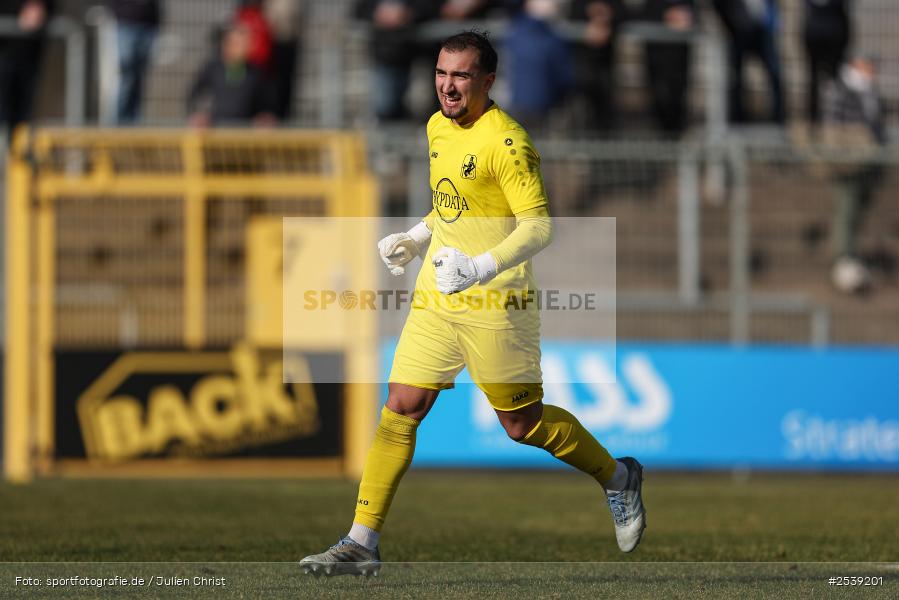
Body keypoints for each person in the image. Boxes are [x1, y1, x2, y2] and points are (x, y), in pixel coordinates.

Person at [299, 31, 646, 577]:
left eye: (461, 75)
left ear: (487, 80)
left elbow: (539, 227)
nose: (447, 86)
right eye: (441, 72)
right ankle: (361, 541)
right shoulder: (436, 127)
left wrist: (480, 267)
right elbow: (452, 207)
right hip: (439, 295)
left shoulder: (508, 143)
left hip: (498, 301)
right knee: (402, 405)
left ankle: (619, 477)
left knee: (521, 424)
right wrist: (416, 236)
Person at [821, 56, 886, 293]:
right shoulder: (839, 89)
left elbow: (877, 125)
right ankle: (844, 258)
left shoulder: (870, 92)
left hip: (869, 162)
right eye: (867, 67)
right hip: (846, 161)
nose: (871, 72)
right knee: (846, 207)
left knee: (860, 207)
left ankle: (852, 256)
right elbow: (832, 125)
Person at [186, 23, 275, 128]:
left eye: (246, 44)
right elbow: (194, 94)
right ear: (227, 45)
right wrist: (198, 115)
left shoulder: (255, 73)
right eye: (238, 44)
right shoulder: (213, 69)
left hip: (244, 132)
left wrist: (264, 117)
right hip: (214, 130)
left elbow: (268, 104)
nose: (244, 48)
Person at [712, 0, 785, 124]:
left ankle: (778, 119)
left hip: (763, 30)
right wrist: (730, 23)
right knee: (735, 77)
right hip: (738, 31)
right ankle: (736, 118)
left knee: (775, 73)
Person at [505, 0, 572, 133]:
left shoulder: (514, 32)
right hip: (542, 103)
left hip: (516, 102)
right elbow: (565, 76)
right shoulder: (552, 37)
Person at [0, 0, 53, 138]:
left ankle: (15, 150)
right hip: (5, 45)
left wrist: (38, 6)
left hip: (27, 49)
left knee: (22, 109)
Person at [109, 0, 161, 123]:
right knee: (127, 75)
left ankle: (134, 121)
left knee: (139, 77)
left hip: (149, 23)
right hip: (127, 22)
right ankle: (118, 121)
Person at [802, 0, 851, 125]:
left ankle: (836, 116)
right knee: (815, 81)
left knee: (836, 79)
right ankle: (814, 118)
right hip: (817, 35)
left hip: (833, 34)